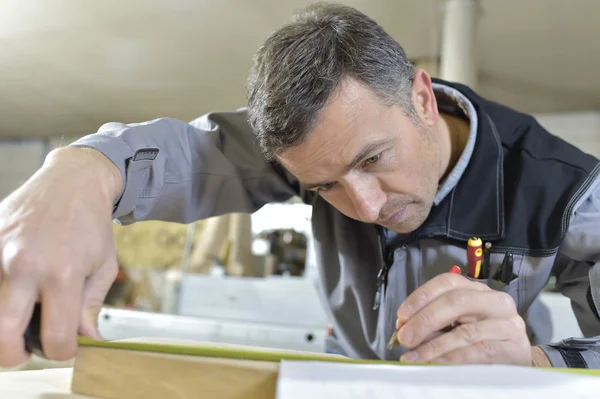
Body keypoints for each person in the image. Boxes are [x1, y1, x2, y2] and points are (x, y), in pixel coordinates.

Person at [1, 2, 599, 369]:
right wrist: (80, 169)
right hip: (345, 377)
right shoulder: (309, 151)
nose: (365, 206)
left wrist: (534, 361)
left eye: (374, 158)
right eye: (325, 186)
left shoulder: (567, 191)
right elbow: (194, 152)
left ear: (420, 96)